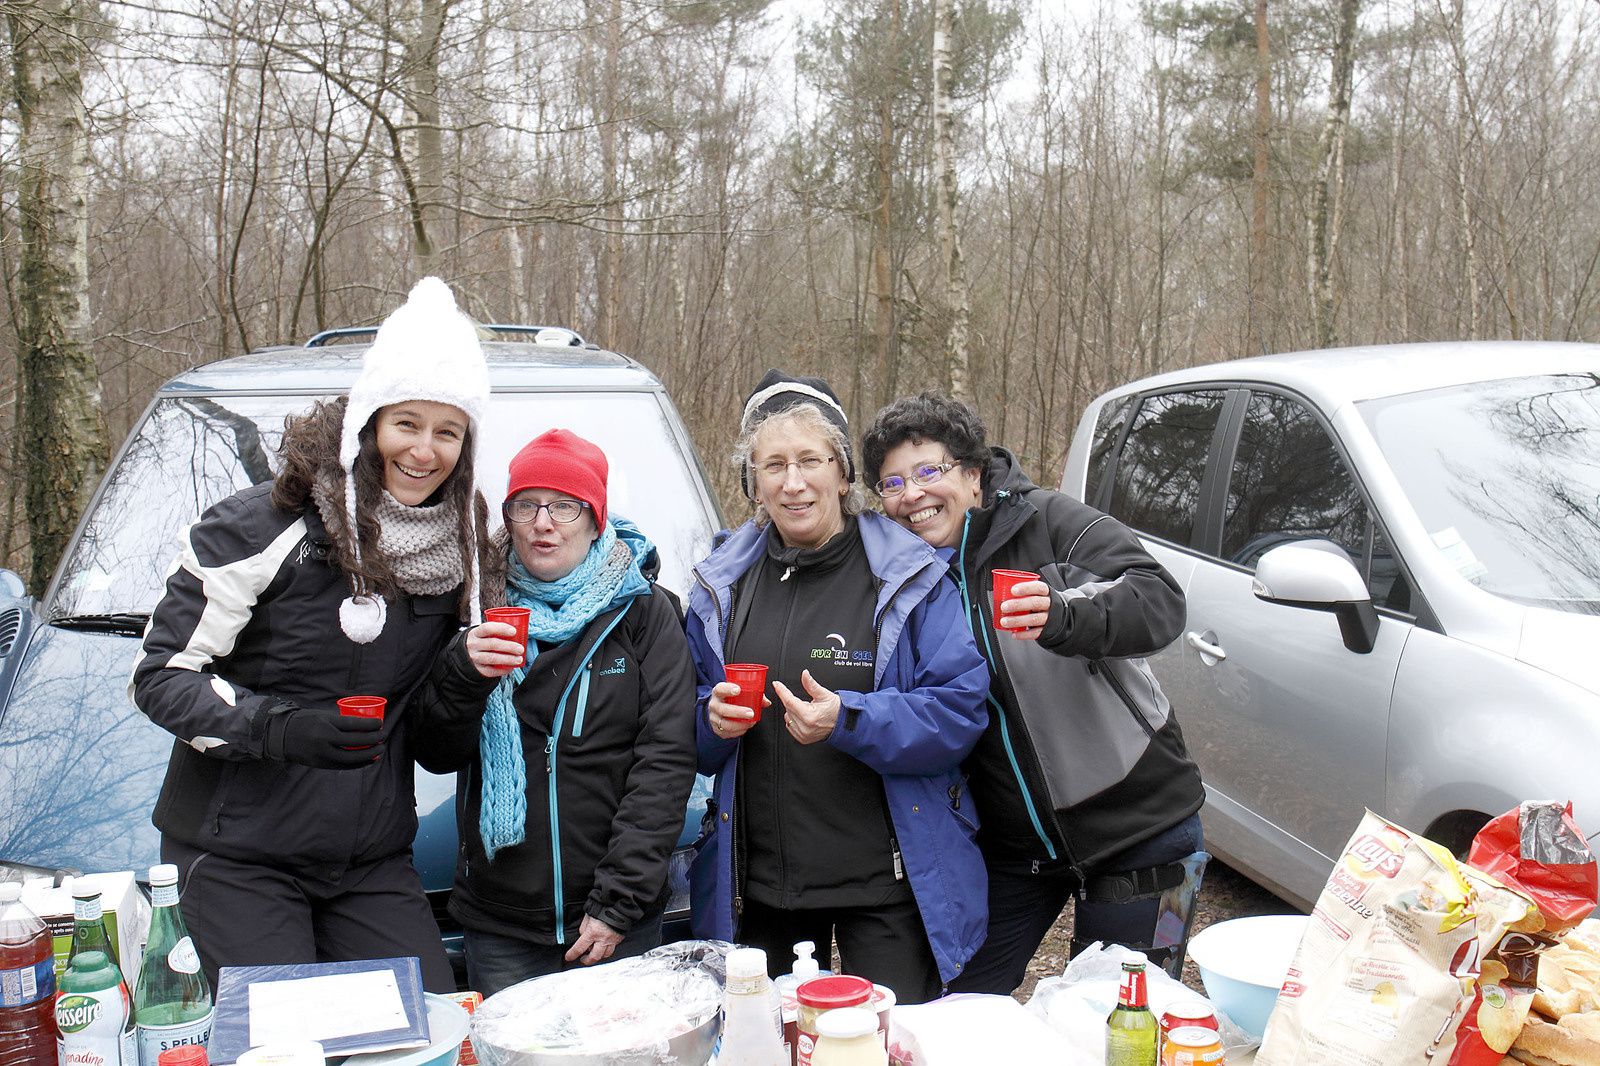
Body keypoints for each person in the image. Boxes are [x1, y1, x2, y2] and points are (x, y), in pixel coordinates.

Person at [130, 277, 491, 993]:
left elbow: (431, 735)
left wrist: (465, 678)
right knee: (278, 1044)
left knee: (432, 1030)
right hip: (238, 857)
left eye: (447, 431)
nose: (424, 450)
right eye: (407, 424)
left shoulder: (465, 553)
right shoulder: (263, 527)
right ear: (370, 423)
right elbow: (162, 676)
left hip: (369, 861)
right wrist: (280, 728)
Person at [861, 391, 1207, 994]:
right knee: (961, 1007)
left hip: (1140, 827)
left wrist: (1065, 616)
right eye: (892, 483)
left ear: (972, 474)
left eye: (928, 471)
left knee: (1123, 1026)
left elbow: (1160, 599)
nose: (912, 495)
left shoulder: (1047, 521)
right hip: (1015, 849)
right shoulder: (900, 575)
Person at [687, 370, 990, 1005]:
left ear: (844, 474)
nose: (793, 482)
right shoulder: (720, 587)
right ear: (753, 483)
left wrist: (849, 719)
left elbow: (960, 713)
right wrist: (709, 723)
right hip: (759, 893)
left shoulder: (907, 577)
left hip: (884, 892)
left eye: (810, 461)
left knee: (882, 1045)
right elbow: (680, 730)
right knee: (768, 1048)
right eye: (773, 465)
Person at [413, 429, 698, 997]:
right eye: (527, 505)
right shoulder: (474, 605)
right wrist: (463, 673)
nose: (544, 522)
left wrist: (619, 905)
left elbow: (664, 763)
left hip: (616, 918)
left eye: (565, 506)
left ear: (595, 519)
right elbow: (437, 753)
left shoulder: (645, 613)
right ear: (509, 519)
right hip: (501, 925)